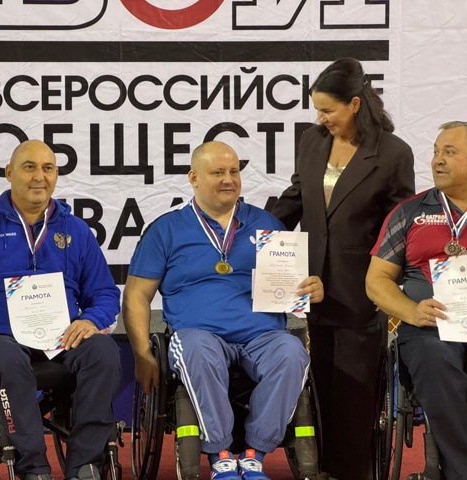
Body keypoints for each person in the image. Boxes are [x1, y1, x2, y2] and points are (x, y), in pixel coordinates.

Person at [122, 141, 324, 480]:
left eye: (233, 171)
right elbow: (136, 296)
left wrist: (310, 288)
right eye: (218, 172)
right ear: (194, 178)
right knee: (197, 350)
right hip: (199, 334)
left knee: (292, 353)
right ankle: (221, 455)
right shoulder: (167, 229)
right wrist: (142, 353)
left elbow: (293, 284)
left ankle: (254, 453)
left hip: (263, 335)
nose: (228, 179)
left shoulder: (267, 224)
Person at [0, 140, 121, 480]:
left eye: (48, 168)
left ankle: (85, 464)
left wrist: (91, 318)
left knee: (104, 352)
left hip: (61, 339)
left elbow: (105, 294)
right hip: (1, 337)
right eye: (29, 167)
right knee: (7, 359)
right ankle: (33, 468)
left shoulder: (75, 230)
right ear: (9, 173)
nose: (40, 176)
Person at [270, 58, 415, 480]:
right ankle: (321, 468)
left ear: (354, 104)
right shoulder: (313, 140)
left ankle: (351, 471)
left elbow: (397, 225)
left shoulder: (393, 153)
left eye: (328, 110)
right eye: (317, 110)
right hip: (312, 284)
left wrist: (387, 282)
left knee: (354, 389)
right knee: (321, 384)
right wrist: (256, 234)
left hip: (362, 289)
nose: (321, 118)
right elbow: (297, 196)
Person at [367, 121, 467, 478]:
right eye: (436, 152)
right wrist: (411, 310)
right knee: (436, 360)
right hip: (429, 330)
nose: (438, 160)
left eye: (449, 153)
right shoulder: (409, 212)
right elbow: (376, 281)